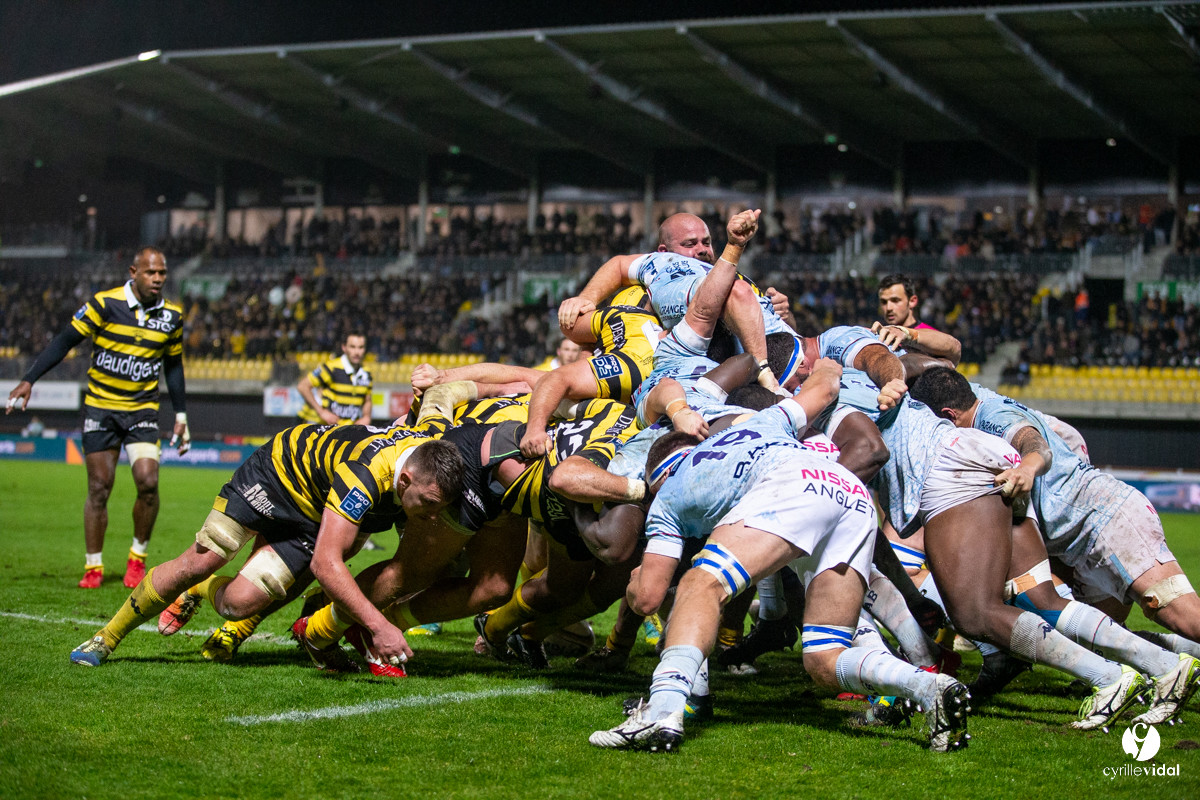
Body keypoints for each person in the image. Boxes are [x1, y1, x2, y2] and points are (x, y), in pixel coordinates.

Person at [591, 361, 974, 753]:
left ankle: (663, 709)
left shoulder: (667, 498)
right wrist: (826, 363)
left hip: (789, 491)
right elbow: (824, 390)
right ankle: (930, 687)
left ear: (659, 475)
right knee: (825, 660)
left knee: (699, 584)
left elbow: (649, 597)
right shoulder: (757, 423)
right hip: (846, 489)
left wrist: (638, 579)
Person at [69, 418, 464, 672]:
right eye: (428, 505)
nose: (432, 517)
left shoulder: (431, 448)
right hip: (273, 477)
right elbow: (328, 566)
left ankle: (204, 593)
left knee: (235, 605)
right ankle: (106, 638)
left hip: (316, 513)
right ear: (406, 480)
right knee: (199, 561)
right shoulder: (364, 478)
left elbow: (438, 401)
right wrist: (378, 626)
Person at [6, 247, 190, 589]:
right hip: (101, 409)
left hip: (142, 411)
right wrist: (29, 378)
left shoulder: (172, 317)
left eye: (162, 273)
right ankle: (94, 566)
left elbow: (174, 366)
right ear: (134, 272)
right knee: (98, 487)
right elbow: (64, 342)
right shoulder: (104, 305)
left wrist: (181, 414)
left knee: (148, 483)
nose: (158, 279)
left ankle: (137, 559)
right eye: (151, 273)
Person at [297, 332, 373, 426]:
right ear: (344, 347)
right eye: (352, 347)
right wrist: (322, 412)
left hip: (348, 431)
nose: (357, 352)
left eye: (360, 347)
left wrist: (366, 416)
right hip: (325, 429)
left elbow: (367, 400)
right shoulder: (331, 368)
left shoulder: (366, 373)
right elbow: (303, 386)